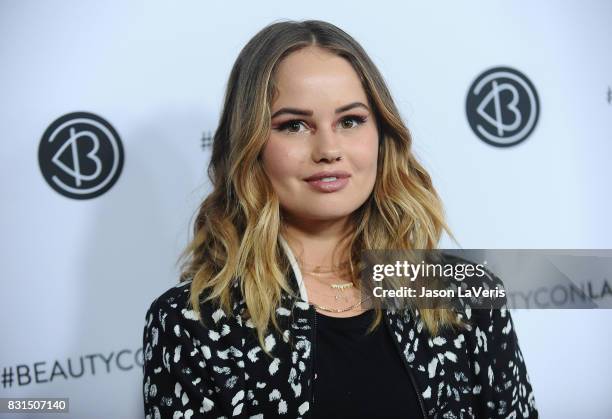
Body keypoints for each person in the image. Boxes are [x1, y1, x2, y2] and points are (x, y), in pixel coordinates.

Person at [142, 19, 538, 418]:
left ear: (381, 134)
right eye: (294, 125)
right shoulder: (191, 325)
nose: (328, 149)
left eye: (350, 121)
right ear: (251, 145)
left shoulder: (463, 295)